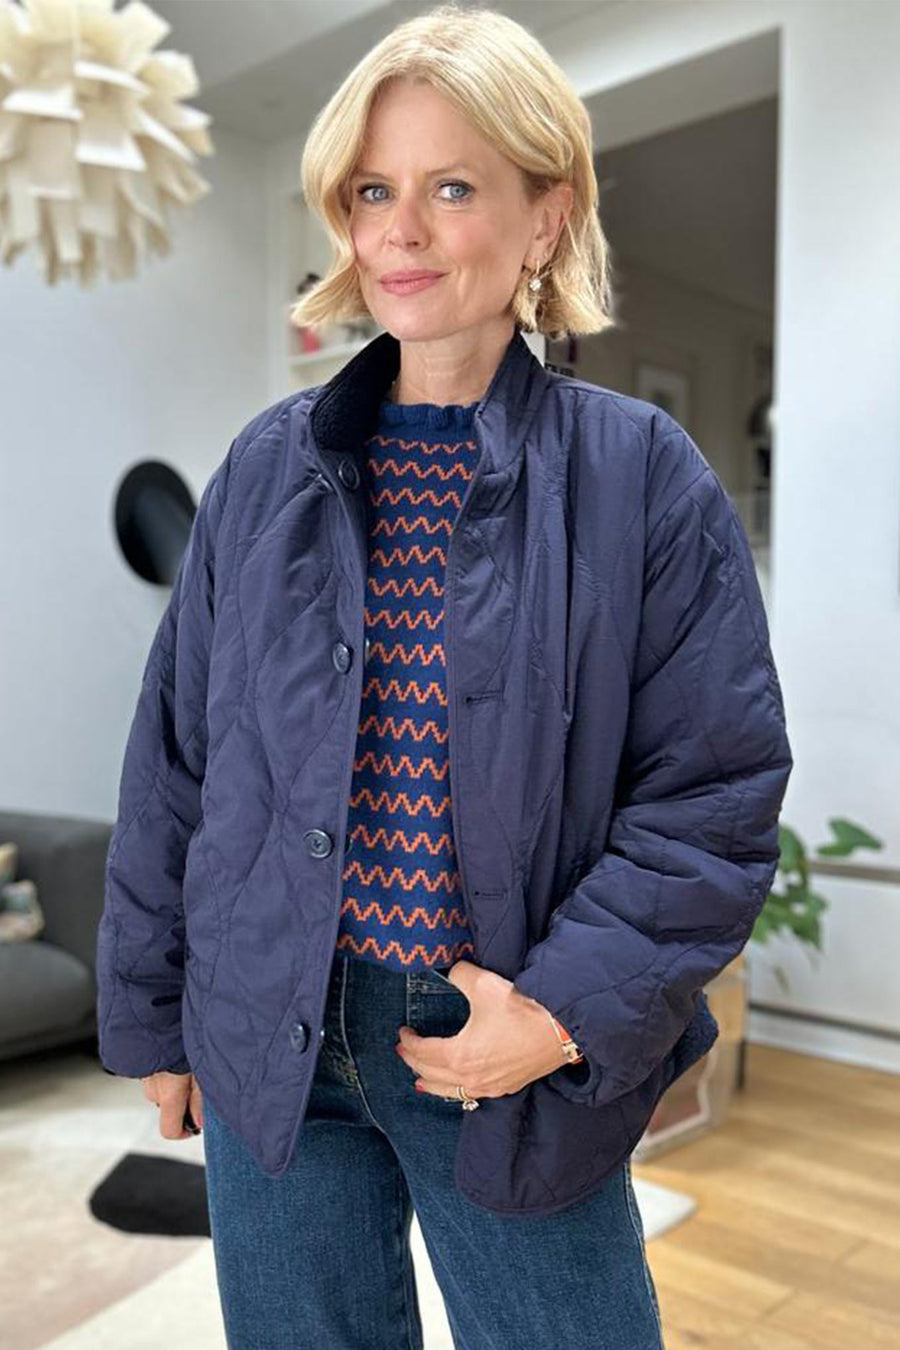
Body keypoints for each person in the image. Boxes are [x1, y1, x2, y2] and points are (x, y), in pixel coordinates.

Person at [95, 5, 793, 1347]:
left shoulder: (640, 476)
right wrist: (157, 1015)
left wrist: (556, 1012)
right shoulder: (264, 470)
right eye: (373, 191)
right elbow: (178, 762)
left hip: (501, 1044)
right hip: (272, 1029)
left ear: (546, 214)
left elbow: (713, 792)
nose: (401, 231)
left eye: (453, 188)